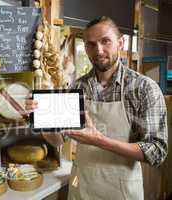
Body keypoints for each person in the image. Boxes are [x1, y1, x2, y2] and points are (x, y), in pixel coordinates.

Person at [26, 16, 168, 200]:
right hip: (82, 189)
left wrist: (99, 140)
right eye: (91, 44)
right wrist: (40, 116)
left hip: (121, 191)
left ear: (120, 42)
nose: (98, 50)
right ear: (85, 48)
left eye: (105, 41)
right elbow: (58, 139)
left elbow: (156, 151)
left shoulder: (143, 89)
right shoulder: (78, 87)